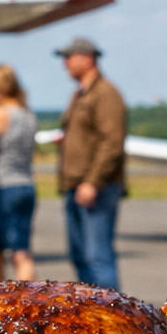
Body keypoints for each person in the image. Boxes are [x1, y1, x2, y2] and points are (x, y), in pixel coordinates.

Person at [55, 37, 128, 290]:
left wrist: (92, 182)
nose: (64, 63)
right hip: (75, 185)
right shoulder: (79, 94)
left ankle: (115, 316)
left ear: (87, 59)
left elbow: (112, 143)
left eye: (69, 57)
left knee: (98, 258)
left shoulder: (106, 94)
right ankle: (91, 314)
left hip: (96, 188)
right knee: (80, 256)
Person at [0, 64, 37, 281]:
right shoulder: (28, 115)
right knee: (21, 250)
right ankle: (29, 299)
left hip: (0, 187)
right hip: (25, 184)